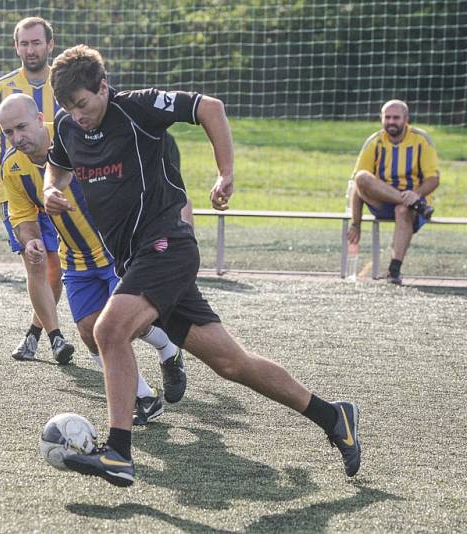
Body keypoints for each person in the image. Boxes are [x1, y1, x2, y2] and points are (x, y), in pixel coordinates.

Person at [43, 45, 361, 487]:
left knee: (108, 330)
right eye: (67, 107)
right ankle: (334, 416)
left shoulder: (136, 107)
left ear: (103, 86)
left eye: (82, 103)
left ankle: (118, 451)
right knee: (231, 363)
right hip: (138, 258)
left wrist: (224, 172)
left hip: (168, 244)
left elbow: (209, 106)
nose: (77, 114)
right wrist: (49, 190)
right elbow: (56, 168)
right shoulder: (66, 125)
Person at [0, 93, 188, 424]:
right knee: (89, 331)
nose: (17, 138)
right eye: (8, 133)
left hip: (118, 251)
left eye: (21, 127)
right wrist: (30, 242)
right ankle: (145, 397)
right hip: (77, 260)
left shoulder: (78, 136)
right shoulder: (13, 168)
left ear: (39, 118)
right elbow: (23, 216)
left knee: (124, 326)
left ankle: (167, 349)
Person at [0, 17, 64, 360]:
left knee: (58, 268)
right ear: (16, 47)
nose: (30, 49)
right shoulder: (1, 88)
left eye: (36, 43)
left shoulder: (66, 83)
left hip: (59, 186)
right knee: (36, 261)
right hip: (15, 189)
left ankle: (35, 332)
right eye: (24, 43)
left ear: (50, 45)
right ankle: (55, 339)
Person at [348, 99, 439, 285]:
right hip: (384, 202)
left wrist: (417, 194)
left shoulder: (421, 140)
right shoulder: (374, 141)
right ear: (381, 119)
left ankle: (394, 271)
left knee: (402, 209)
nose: (391, 122)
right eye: (387, 117)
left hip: (413, 201)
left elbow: (434, 178)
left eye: (396, 118)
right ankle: (414, 205)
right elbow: (358, 185)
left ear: (406, 119)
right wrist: (355, 223)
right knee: (362, 176)